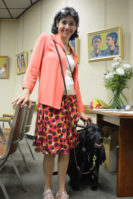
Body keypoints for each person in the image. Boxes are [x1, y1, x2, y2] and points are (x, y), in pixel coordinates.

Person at [12, 7, 92, 199]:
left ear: (75, 27)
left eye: (72, 23)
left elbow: (75, 83)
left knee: (65, 149)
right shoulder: (45, 40)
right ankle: (47, 188)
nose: (67, 26)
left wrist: (80, 110)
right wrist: (26, 90)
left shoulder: (72, 51)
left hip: (70, 104)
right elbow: (33, 68)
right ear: (57, 23)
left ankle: (61, 189)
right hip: (51, 104)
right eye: (64, 22)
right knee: (51, 149)